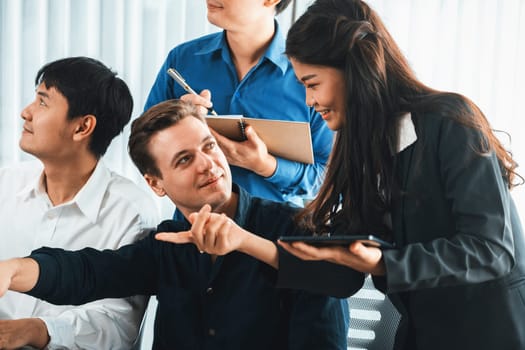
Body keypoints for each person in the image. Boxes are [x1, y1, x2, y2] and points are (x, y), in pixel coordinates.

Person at [0, 99, 351, 350]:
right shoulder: (166, 243)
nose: (209, 164)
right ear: (156, 184)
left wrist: (244, 241)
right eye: (185, 159)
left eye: (209, 147)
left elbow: (323, 338)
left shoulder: (297, 229)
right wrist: (15, 270)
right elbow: (89, 272)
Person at [274, 0, 525, 349]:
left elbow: (492, 250)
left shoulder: (449, 122)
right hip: (423, 333)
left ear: (353, 69)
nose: (308, 100)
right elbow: (343, 276)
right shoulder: (365, 150)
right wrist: (240, 236)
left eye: (312, 83)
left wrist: (386, 263)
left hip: (490, 332)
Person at [0, 57, 159, 350]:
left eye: (43, 102)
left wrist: (36, 331)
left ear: (83, 127)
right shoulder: (6, 182)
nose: (26, 112)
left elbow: (118, 327)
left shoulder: (132, 212)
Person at [144, 0, 333, 208]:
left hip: (275, 234)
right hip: (194, 229)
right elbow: (144, 150)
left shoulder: (310, 76)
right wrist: (179, 119)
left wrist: (266, 165)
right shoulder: (182, 60)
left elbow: (331, 179)